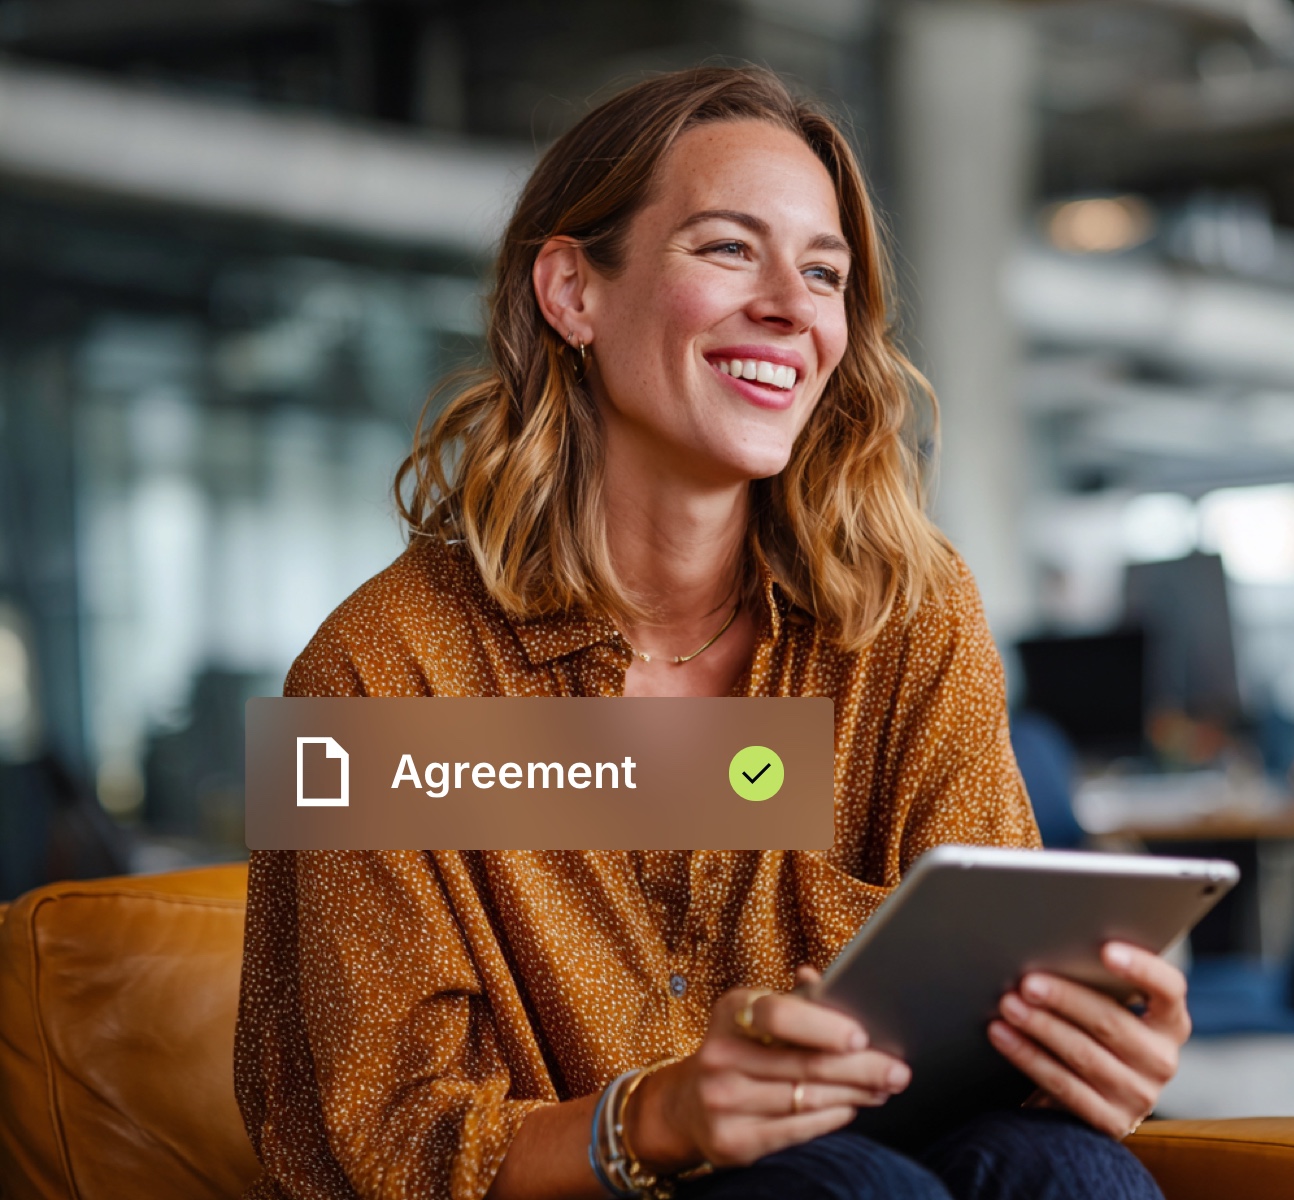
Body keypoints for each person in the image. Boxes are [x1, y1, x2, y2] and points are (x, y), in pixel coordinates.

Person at [234, 67, 1189, 1200]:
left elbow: (990, 1013)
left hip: (881, 1167)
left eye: (823, 272)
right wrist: (658, 1116)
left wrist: (1083, 1051)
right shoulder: (376, 678)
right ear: (572, 291)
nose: (791, 304)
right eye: (729, 249)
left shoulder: (908, 615)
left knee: (1068, 1170)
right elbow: (381, 1149)